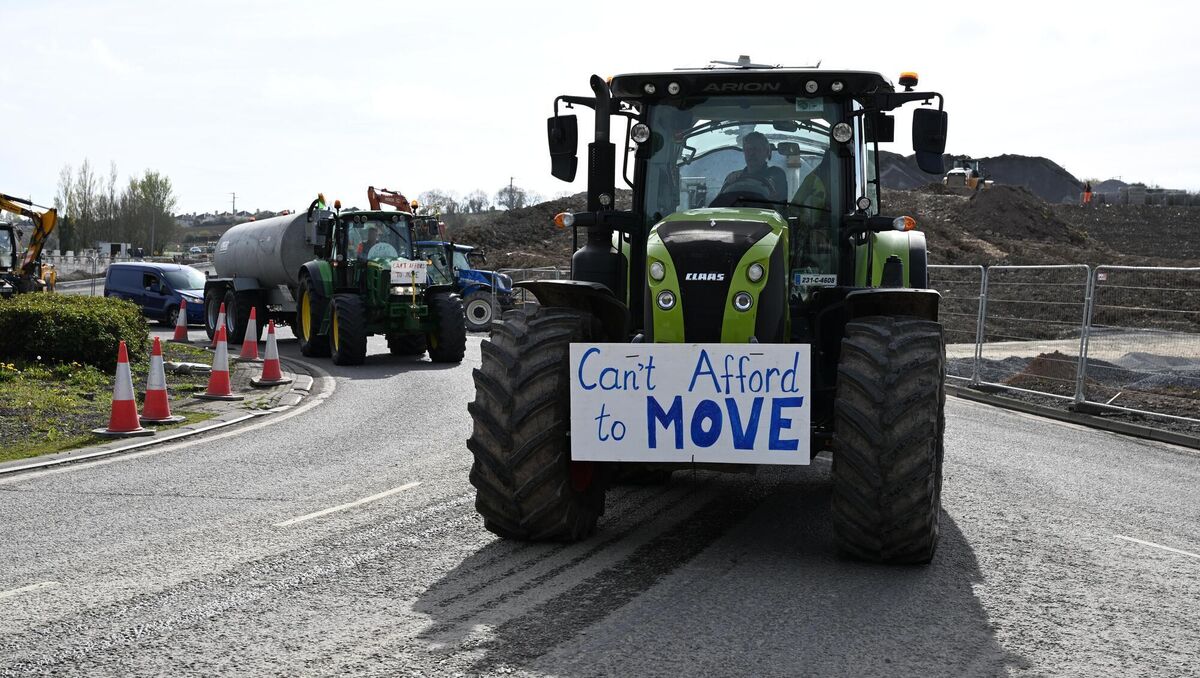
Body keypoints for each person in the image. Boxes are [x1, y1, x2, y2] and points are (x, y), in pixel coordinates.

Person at [719, 131, 788, 203]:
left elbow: (780, 205)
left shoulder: (776, 173)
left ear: (767, 152)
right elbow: (719, 204)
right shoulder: (734, 177)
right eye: (748, 149)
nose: (752, 153)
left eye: (756, 149)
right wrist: (730, 183)